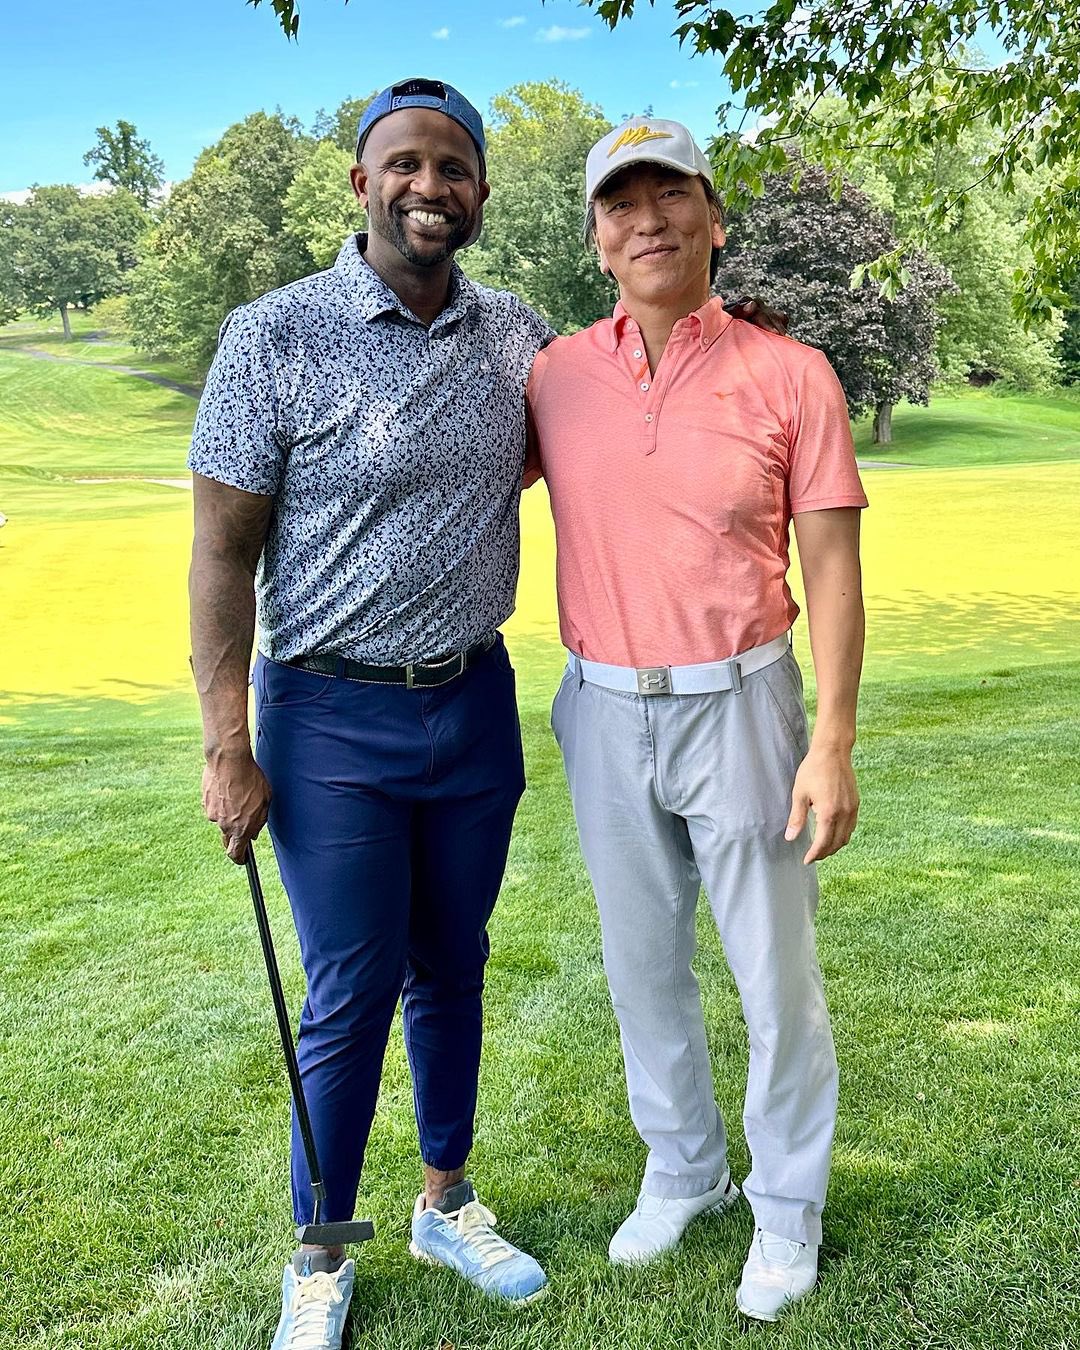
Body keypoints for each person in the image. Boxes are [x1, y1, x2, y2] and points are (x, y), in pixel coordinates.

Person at [188, 79, 554, 1350]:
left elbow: (619, 414)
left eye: (453, 168)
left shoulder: (517, 333)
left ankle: (444, 1202)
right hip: (329, 716)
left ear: (482, 192)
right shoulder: (271, 337)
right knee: (347, 990)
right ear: (361, 183)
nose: (428, 187)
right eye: (403, 164)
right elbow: (222, 557)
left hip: (473, 701)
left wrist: (738, 335)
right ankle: (323, 1250)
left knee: (453, 967)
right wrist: (227, 745)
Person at [526, 117, 868, 1321]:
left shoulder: (791, 372)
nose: (648, 219)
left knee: (774, 981)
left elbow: (831, 568)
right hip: (603, 709)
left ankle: (786, 1212)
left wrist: (830, 741)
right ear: (597, 241)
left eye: (671, 194)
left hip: (745, 706)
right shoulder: (554, 373)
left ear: (715, 218)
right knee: (642, 971)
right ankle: (684, 1171)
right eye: (621, 204)